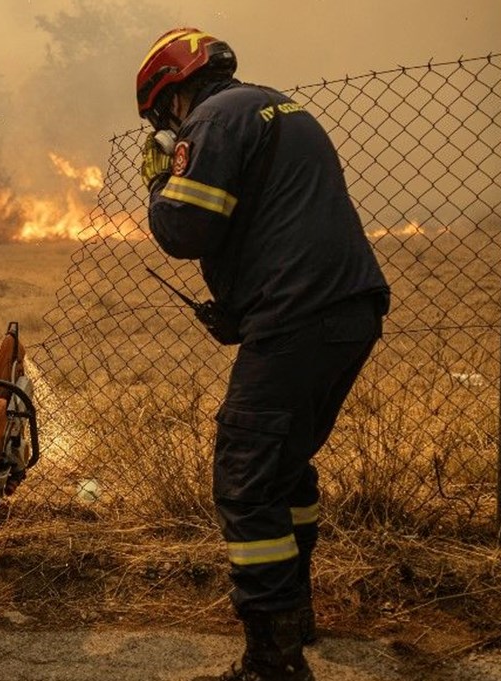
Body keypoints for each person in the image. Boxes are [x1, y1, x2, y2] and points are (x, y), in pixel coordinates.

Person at [136, 29, 390, 681]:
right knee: (282, 465)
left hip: (298, 315)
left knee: (245, 474)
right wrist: (246, 310)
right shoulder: (279, 106)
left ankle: (273, 660)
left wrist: (159, 178)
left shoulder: (212, 120)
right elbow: (282, 225)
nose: (166, 127)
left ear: (171, 95)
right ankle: (294, 611)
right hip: (349, 311)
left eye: (161, 117)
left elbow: (186, 229)